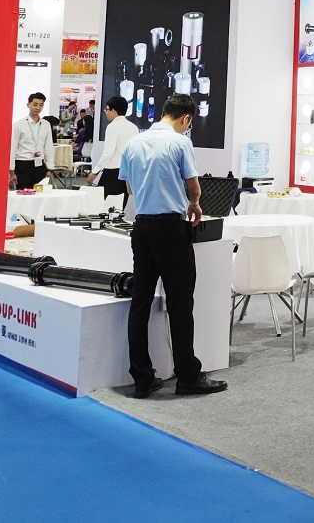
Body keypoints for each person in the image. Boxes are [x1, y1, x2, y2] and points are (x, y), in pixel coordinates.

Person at [120, 94, 227, 399]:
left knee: (140, 302)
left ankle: (142, 378)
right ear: (186, 119)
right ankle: (188, 376)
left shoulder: (133, 143)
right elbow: (193, 186)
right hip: (171, 229)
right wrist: (194, 204)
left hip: (142, 227)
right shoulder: (180, 143)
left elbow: (129, 187)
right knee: (180, 303)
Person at [90, 95, 136, 198]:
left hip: (113, 172)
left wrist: (95, 172)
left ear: (113, 110)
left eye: (106, 110)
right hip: (127, 172)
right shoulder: (134, 127)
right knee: (121, 204)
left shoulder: (112, 127)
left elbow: (108, 153)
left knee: (106, 204)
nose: (105, 112)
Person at [10, 92, 54, 190]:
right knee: (24, 193)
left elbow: (48, 147)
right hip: (22, 164)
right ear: (28, 105)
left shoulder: (46, 124)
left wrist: (49, 169)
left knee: (40, 194)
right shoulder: (18, 125)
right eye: (35, 104)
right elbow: (13, 148)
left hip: (39, 164)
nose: (38, 108)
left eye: (41, 105)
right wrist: (11, 171)